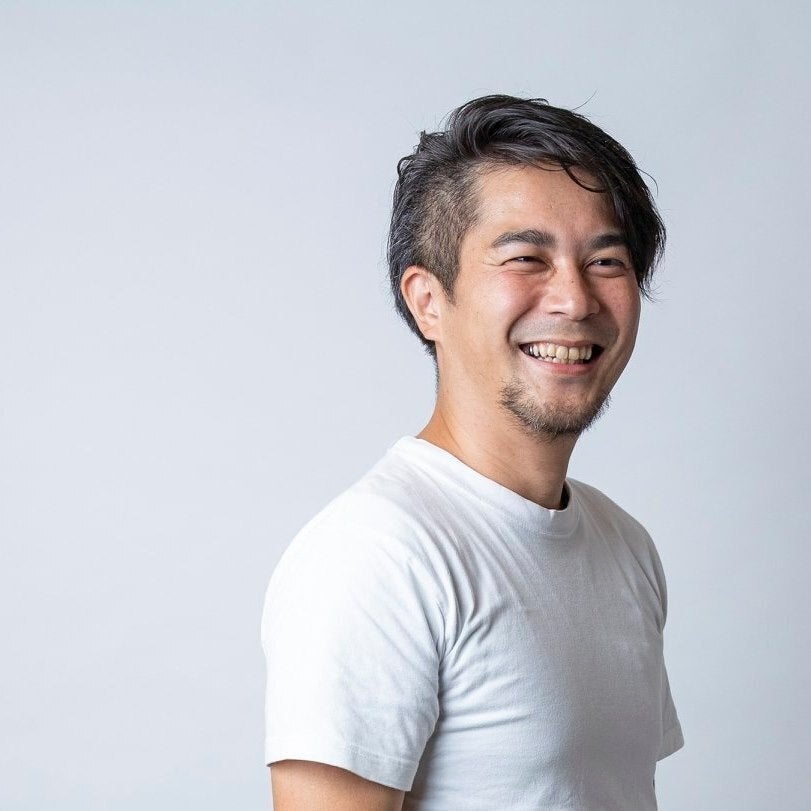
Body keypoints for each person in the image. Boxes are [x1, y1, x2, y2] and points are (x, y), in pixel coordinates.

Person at [262, 94, 684, 810]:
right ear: (428, 300)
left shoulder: (624, 545)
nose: (575, 299)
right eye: (525, 258)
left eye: (606, 260)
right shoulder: (373, 556)